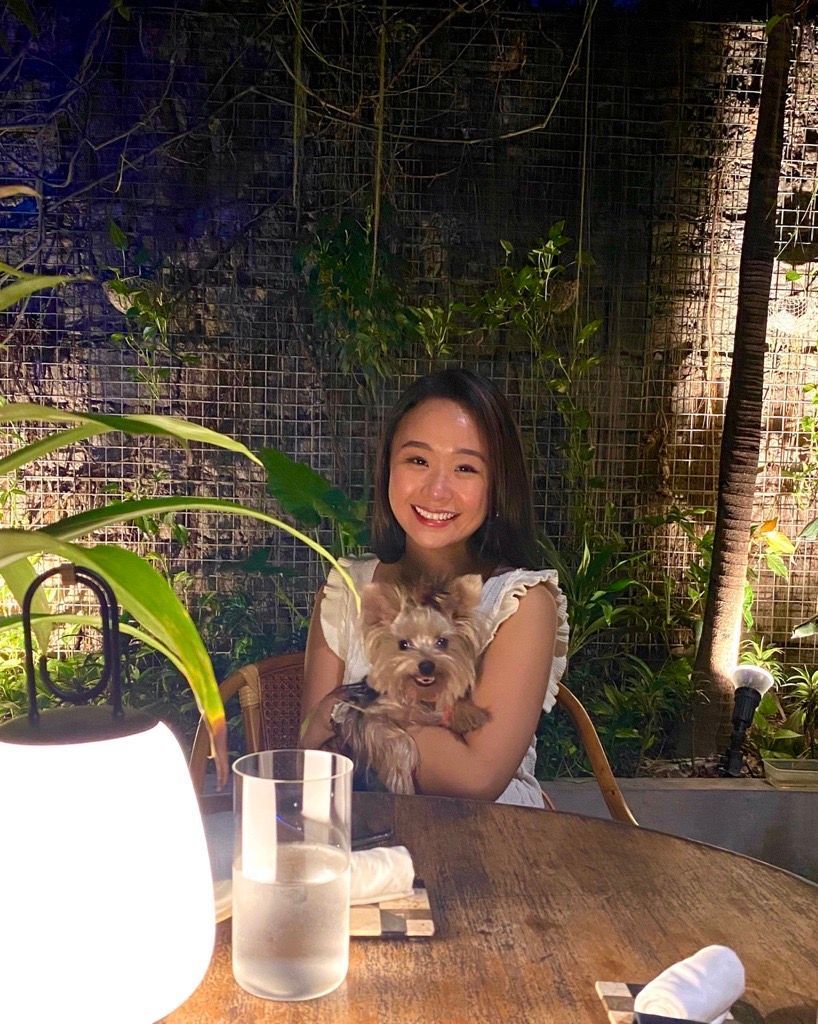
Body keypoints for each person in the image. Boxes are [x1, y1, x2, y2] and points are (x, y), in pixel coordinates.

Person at [299, 368, 569, 807]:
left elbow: (474, 782)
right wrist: (435, 730)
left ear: (497, 484)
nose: (437, 489)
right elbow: (312, 758)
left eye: (465, 467)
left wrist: (350, 708)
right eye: (418, 460)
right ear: (388, 464)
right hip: (366, 839)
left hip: (494, 843)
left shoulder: (520, 602)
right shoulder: (347, 591)